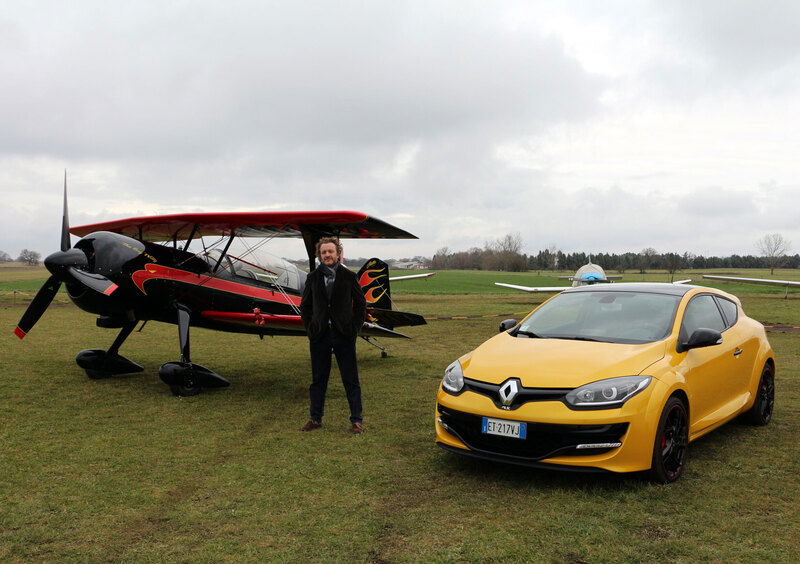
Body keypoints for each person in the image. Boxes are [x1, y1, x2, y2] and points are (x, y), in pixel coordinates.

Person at [299, 237, 367, 434]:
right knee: (318, 379)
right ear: (319, 255)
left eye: (330, 251)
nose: (327, 255)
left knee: (350, 379)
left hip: (344, 335)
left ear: (338, 253)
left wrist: (353, 329)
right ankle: (315, 418)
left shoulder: (349, 276)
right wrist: (310, 329)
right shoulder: (312, 277)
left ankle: (356, 420)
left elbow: (361, 304)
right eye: (323, 252)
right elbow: (305, 306)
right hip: (319, 335)